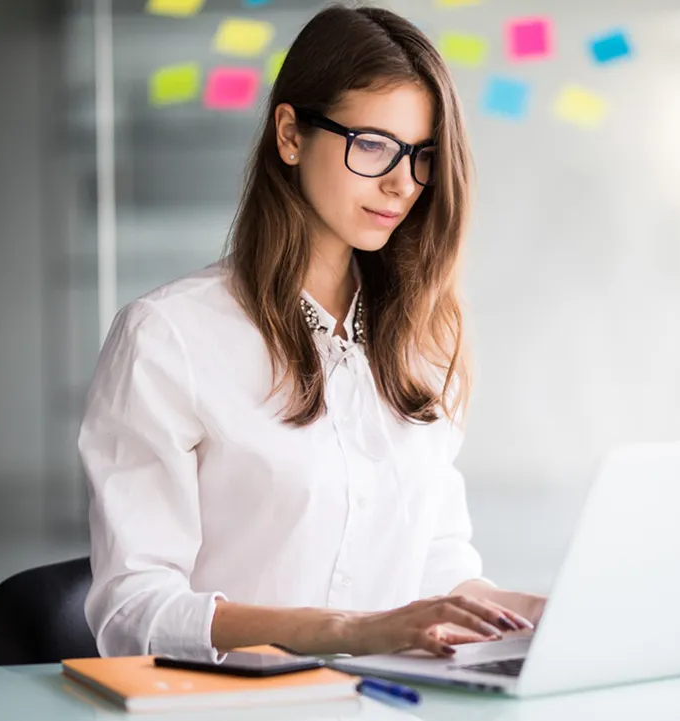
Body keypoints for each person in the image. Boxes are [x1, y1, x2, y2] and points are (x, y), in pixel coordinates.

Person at [79, 4, 546, 662]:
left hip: (388, 701)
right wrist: (349, 631)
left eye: (422, 156)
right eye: (373, 144)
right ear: (291, 134)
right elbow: (133, 613)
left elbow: (438, 565)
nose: (401, 183)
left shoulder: (422, 342)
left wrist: (543, 612)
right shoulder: (167, 338)